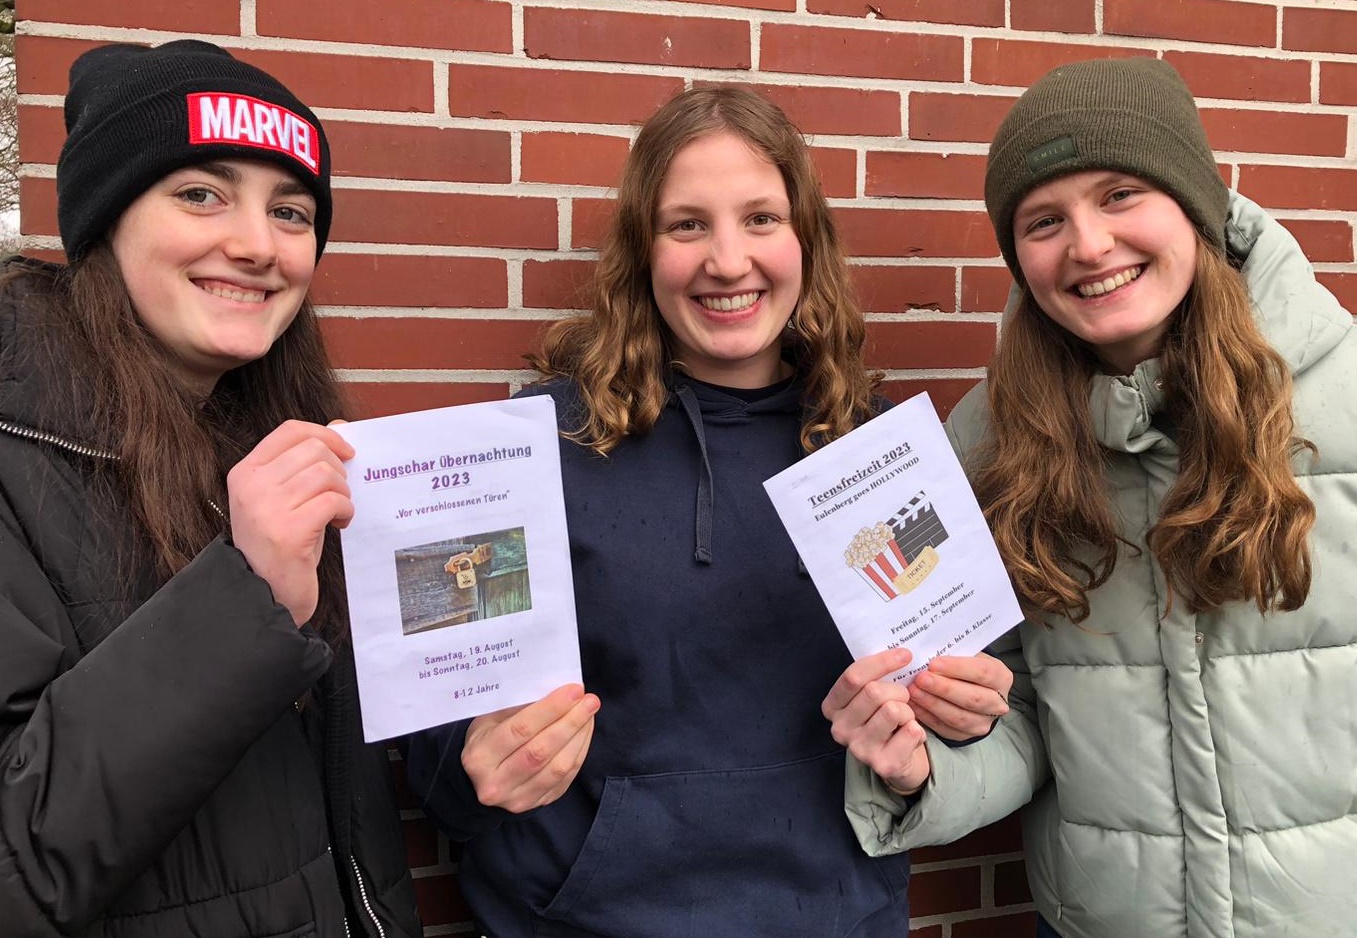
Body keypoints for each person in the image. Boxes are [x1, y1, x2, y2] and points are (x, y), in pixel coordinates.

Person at [404, 85, 1011, 938]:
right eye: (687, 225)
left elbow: (949, 700)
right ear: (641, 250)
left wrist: (959, 724)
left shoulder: (878, 449)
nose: (727, 261)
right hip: (588, 922)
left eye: (760, 218)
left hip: (836, 917)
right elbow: (431, 746)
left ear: (805, 239)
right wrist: (475, 767)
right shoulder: (526, 444)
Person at [837, 57, 1357, 938]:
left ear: (1193, 205)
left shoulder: (1340, 393)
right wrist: (923, 766)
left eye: (1120, 195)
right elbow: (1023, 717)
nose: (1086, 245)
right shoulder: (987, 442)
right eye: (1044, 220)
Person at [0, 40, 420, 936]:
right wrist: (244, 599)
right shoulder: (14, 458)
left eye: (291, 211)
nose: (257, 245)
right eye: (200, 194)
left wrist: (477, 746)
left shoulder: (276, 436)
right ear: (106, 219)